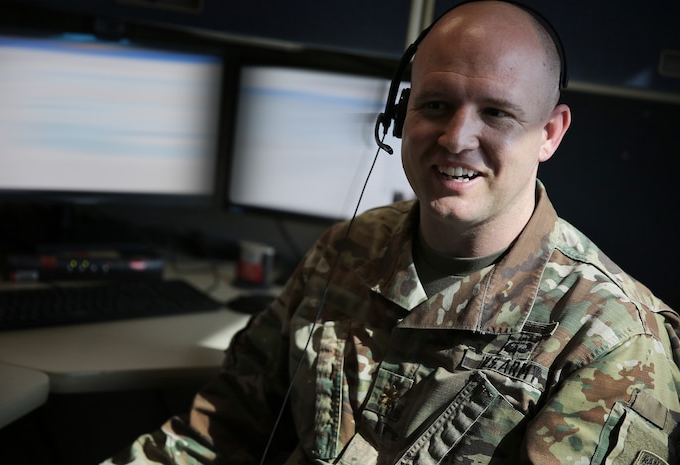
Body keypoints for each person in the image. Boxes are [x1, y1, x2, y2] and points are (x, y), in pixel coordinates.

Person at [101, 1, 680, 464]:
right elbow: (220, 431)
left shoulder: (610, 336)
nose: (456, 138)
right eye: (435, 103)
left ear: (550, 133)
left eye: (497, 113)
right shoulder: (346, 250)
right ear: (400, 115)